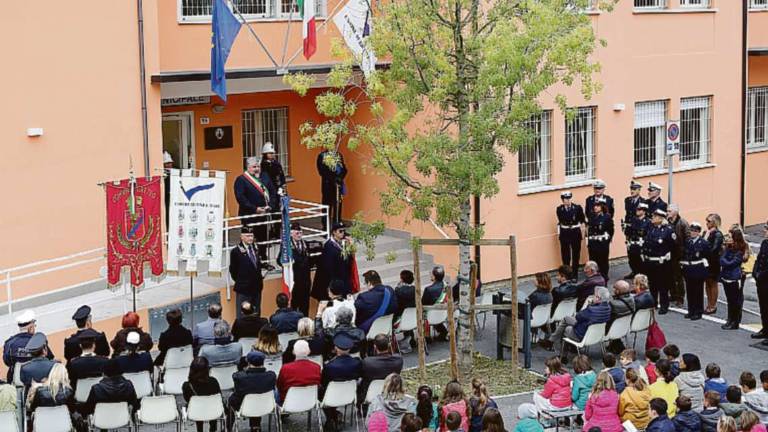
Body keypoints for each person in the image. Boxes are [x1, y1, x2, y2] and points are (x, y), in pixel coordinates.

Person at [542, 287, 610, 352]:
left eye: (594, 296)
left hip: (582, 334)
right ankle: (551, 341)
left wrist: (590, 305)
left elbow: (578, 317)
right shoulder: (608, 308)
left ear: (598, 298)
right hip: (596, 334)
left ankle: (563, 356)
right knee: (566, 319)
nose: (593, 297)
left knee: (567, 328)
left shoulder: (591, 309)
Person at [234, 156, 276, 260]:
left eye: (258, 166)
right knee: (249, 238)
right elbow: (241, 198)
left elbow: (273, 192)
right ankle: (248, 259)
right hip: (250, 215)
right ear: (248, 167)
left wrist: (270, 206)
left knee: (263, 238)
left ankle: (263, 259)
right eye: (254, 167)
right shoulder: (241, 179)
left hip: (264, 214)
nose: (257, 169)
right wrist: (255, 209)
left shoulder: (265, 177)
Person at [321, 334, 363, 430]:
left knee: (320, 391)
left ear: (336, 348)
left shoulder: (329, 366)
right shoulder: (357, 363)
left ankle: (331, 417)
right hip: (351, 394)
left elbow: (323, 382)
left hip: (332, 396)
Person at [228, 351, 277, 432]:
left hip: (245, 407)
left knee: (232, 399)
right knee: (257, 393)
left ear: (248, 362)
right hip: (266, 405)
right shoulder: (271, 375)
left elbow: (236, 378)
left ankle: (228, 427)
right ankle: (255, 426)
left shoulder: (239, 377)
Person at [26, 363, 82, 431]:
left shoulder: (40, 391)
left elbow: (33, 407)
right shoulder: (68, 392)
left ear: (51, 374)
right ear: (65, 376)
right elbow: (72, 409)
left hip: (43, 425)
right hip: (62, 426)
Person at [3, 310, 54, 382]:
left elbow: (7, 362)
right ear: (30, 328)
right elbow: (49, 357)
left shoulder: (10, 343)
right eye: (34, 326)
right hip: (37, 379)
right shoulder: (38, 341)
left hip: (16, 380)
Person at [277, 222, 317, 316]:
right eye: (297, 233)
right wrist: (288, 262)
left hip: (305, 282)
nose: (299, 235)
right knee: (294, 308)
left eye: (300, 233)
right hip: (294, 282)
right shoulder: (287, 247)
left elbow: (310, 260)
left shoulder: (305, 244)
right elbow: (279, 261)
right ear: (291, 233)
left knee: (304, 307)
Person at [643, 209, 677, 314]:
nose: (652, 218)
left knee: (663, 285)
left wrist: (668, 257)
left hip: (662, 262)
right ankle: (653, 303)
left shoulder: (668, 230)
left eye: (655, 216)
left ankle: (664, 305)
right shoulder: (650, 229)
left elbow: (673, 246)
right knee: (652, 284)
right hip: (651, 261)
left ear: (661, 218)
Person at [230, 227, 267, 318]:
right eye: (247, 236)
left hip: (257, 287)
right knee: (243, 315)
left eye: (251, 236)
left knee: (256, 313)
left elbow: (257, 265)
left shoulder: (255, 248)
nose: (250, 238)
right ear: (241, 237)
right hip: (244, 289)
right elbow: (233, 271)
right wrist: (242, 281)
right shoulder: (236, 251)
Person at [312, 222, 355, 301]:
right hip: (335, 282)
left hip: (343, 279)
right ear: (334, 232)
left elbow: (348, 261)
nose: (343, 233)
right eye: (340, 231)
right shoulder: (329, 246)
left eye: (344, 231)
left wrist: (351, 247)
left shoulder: (344, 243)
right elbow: (328, 268)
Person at [181, 357, 222, 432]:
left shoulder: (187, 385)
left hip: (196, 411)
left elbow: (187, 399)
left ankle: (199, 430)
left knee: (197, 405)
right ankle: (213, 428)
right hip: (213, 410)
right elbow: (219, 396)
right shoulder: (213, 381)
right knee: (212, 404)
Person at [360, 334, 404, 404]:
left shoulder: (367, 362)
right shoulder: (398, 360)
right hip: (392, 391)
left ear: (375, 347)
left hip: (371, 394)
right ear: (389, 345)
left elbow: (362, 375)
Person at [680, 222, 709, 320]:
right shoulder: (688, 241)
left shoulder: (703, 243)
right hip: (689, 268)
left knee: (698, 291)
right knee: (690, 291)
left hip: (698, 269)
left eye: (695, 231)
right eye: (691, 231)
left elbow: (707, 256)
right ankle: (691, 310)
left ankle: (698, 311)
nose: (693, 233)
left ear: (699, 232)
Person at [720, 231, 747, 330]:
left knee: (735, 301)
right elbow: (722, 259)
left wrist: (725, 262)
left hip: (734, 278)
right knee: (729, 300)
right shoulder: (728, 248)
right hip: (726, 277)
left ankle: (735, 322)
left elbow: (732, 263)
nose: (728, 238)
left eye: (730, 237)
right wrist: (725, 261)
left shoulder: (739, 251)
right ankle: (730, 319)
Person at [556, 191, 586, 276]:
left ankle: (575, 274)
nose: (568, 200)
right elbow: (562, 219)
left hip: (575, 232)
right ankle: (567, 274)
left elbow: (582, 219)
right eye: (566, 199)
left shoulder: (577, 208)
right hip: (565, 232)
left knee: (576, 254)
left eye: (569, 198)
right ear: (562, 200)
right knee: (565, 255)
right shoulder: (560, 209)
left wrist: (583, 231)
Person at [317, 148, 347, 228]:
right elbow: (322, 171)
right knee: (327, 206)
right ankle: (325, 227)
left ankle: (337, 225)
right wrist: (333, 178)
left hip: (338, 185)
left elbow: (344, 168)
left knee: (338, 205)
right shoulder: (322, 156)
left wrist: (340, 177)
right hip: (328, 186)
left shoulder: (338, 155)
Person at [667, 204, 690, 307]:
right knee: (670, 275)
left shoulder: (683, 223)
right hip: (668, 253)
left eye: (669, 211)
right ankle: (673, 294)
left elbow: (687, 239)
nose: (667, 213)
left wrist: (684, 253)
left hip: (679, 254)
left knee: (679, 277)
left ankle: (680, 298)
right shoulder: (667, 222)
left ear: (675, 212)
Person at [586, 197, 614, 281]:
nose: (595, 207)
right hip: (593, 242)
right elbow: (589, 230)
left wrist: (607, 241)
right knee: (593, 260)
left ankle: (604, 276)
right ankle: (594, 276)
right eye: (594, 205)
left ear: (602, 207)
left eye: (597, 206)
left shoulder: (606, 217)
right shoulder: (591, 216)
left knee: (603, 261)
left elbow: (611, 230)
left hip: (602, 243)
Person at [704, 213, 724, 315]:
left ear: (714, 222)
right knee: (707, 283)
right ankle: (709, 304)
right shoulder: (708, 233)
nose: (707, 223)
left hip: (714, 262)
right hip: (707, 262)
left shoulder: (718, 234)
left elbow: (714, 249)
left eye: (709, 221)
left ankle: (713, 305)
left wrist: (705, 250)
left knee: (713, 283)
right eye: (706, 221)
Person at [625, 202, 651, 280]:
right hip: (633, 244)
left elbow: (649, 235)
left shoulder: (648, 222)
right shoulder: (633, 220)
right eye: (637, 209)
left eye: (639, 209)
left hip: (642, 245)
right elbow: (628, 232)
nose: (637, 211)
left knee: (642, 263)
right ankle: (635, 274)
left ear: (644, 211)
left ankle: (643, 278)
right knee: (632, 261)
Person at [751, 221, 768, 341]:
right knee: (763, 307)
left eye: (766, 228)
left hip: (766, 279)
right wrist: (755, 272)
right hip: (761, 281)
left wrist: (761, 274)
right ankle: (765, 329)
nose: (764, 231)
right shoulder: (765, 243)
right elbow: (758, 259)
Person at [394, 270, 418, 351]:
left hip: (401, 319)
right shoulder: (415, 289)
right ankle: (411, 339)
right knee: (408, 313)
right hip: (413, 318)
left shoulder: (398, 290)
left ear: (402, 279)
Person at [163, 150, 174, 227]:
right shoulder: (162, 174)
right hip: (166, 196)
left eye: (170, 163)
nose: (169, 165)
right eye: (167, 163)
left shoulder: (175, 172)